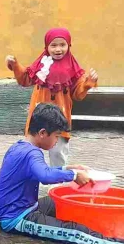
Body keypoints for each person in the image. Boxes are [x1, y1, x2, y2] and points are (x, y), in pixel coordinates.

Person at [0, 102, 124, 244]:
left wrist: (67, 168)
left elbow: (39, 171)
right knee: (75, 231)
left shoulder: (20, 147)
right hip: (16, 218)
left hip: (29, 206)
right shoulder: (32, 153)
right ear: (42, 133)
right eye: (56, 136)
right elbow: (44, 175)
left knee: (77, 209)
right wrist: (73, 174)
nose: (57, 141)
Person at [6, 28, 98, 168]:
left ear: (69, 46)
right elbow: (25, 79)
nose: (58, 49)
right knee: (31, 149)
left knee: (58, 152)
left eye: (63, 45)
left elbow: (77, 94)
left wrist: (87, 84)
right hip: (39, 114)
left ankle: (57, 185)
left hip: (59, 116)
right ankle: (30, 177)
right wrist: (14, 64)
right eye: (53, 45)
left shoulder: (73, 68)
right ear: (47, 46)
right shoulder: (40, 65)